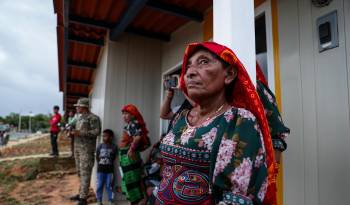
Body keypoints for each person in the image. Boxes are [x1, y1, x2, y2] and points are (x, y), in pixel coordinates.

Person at [155, 42, 278, 205]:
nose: (189, 72)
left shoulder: (239, 121)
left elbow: (236, 198)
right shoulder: (182, 116)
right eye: (189, 66)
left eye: (204, 62)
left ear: (229, 75)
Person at [69, 98, 101, 205]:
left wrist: (80, 133)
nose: (77, 108)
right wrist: (72, 133)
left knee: (85, 173)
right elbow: (77, 131)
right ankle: (81, 193)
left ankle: (83, 198)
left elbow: (96, 132)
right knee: (79, 172)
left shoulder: (93, 118)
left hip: (86, 150)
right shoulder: (79, 118)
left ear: (84, 107)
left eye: (78, 106)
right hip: (77, 148)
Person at [119, 104, 149, 205]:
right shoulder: (132, 124)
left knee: (132, 179)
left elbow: (137, 137)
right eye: (123, 113)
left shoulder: (132, 124)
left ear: (133, 114)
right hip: (129, 155)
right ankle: (140, 200)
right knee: (135, 178)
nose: (124, 116)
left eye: (127, 113)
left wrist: (131, 150)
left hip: (129, 156)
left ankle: (138, 201)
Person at [96, 129, 118, 205]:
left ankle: (110, 201)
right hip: (100, 170)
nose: (103, 137)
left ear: (111, 137)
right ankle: (99, 200)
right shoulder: (100, 146)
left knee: (110, 185)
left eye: (105, 136)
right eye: (103, 136)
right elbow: (97, 157)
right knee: (99, 185)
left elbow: (114, 157)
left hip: (110, 170)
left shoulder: (114, 147)